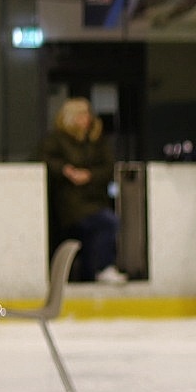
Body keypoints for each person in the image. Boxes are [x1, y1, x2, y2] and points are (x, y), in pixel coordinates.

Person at [39, 97, 126, 284]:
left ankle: (93, 273)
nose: (87, 118)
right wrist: (66, 170)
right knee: (107, 223)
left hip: (96, 199)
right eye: (81, 114)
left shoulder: (96, 140)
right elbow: (45, 159)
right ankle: (103, 267)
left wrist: (90, 175)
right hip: (70, 204)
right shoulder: (57, 140)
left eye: (87, 114)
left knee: (96, 232)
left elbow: (108, 166)